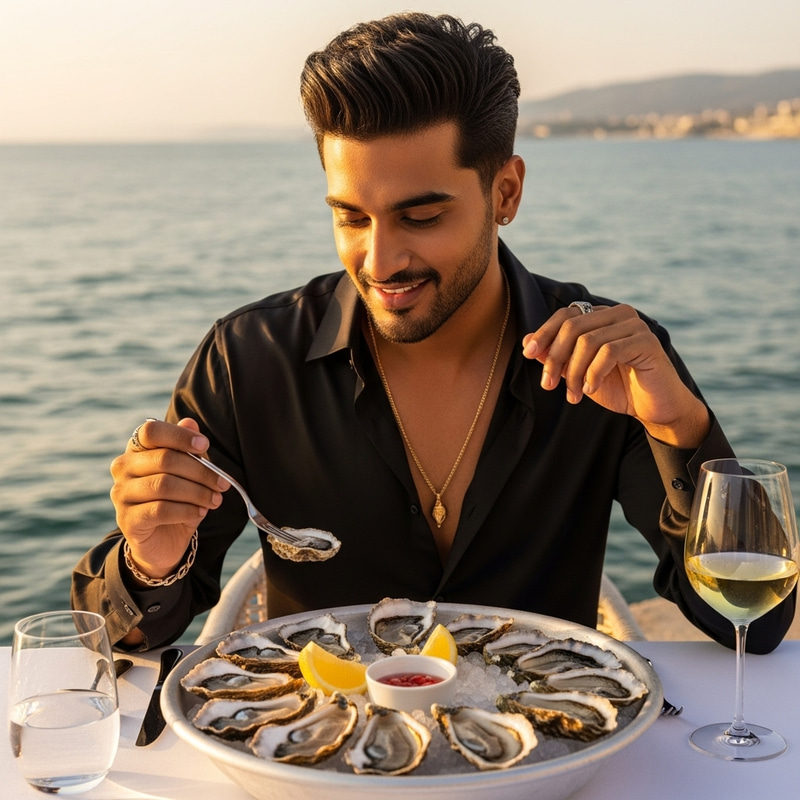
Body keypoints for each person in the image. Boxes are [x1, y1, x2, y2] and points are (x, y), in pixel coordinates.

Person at [72, 12, 794, 653]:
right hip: (323, 763)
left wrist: (680, 427)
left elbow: (754, 626)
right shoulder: (247, 362)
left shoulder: (612, 366)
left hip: (546, 761)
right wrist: (149, 561)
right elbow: (129, 635)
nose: (380, 261)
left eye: (420, 217)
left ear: (504, 192)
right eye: (352, 216)